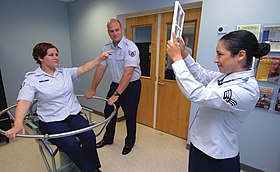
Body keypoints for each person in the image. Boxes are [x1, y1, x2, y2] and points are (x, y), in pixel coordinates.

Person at [166, 30, 270, 172]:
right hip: (200, 146)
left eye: (220, 54)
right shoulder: (226, 76)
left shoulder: (246, 89)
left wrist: (177, 60)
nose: (216, 59)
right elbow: (201, 74)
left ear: (240, 55)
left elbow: (198, 94)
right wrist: (184, 54)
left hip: (216, 157)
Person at [5, 42, 111, 172]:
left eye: (56, 54)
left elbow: (84, 68)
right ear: (40, 58)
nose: (56, 57)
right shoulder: (32, 79)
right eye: (51, 55)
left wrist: (100, 59)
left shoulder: (64, 72)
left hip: (72, 115)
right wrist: (17, 123)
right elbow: (24, 101)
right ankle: (90, 170)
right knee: (71, 143)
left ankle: (93, 167)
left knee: (89, 135)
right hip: (51, 120)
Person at [85, 19, 141, 155]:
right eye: (111, 31)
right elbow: (101, 69)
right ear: (108, 32)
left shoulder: (130, 47)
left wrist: (116, 95)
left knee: (130, 115)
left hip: (132, 86)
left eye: (117, 30)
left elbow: (128, 73)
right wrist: (93, 88)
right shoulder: (106, 48)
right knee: (108, 111)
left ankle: (129, 143)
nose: (115, 33)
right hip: (116, 84)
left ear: (122, 29)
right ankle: (108, 138)